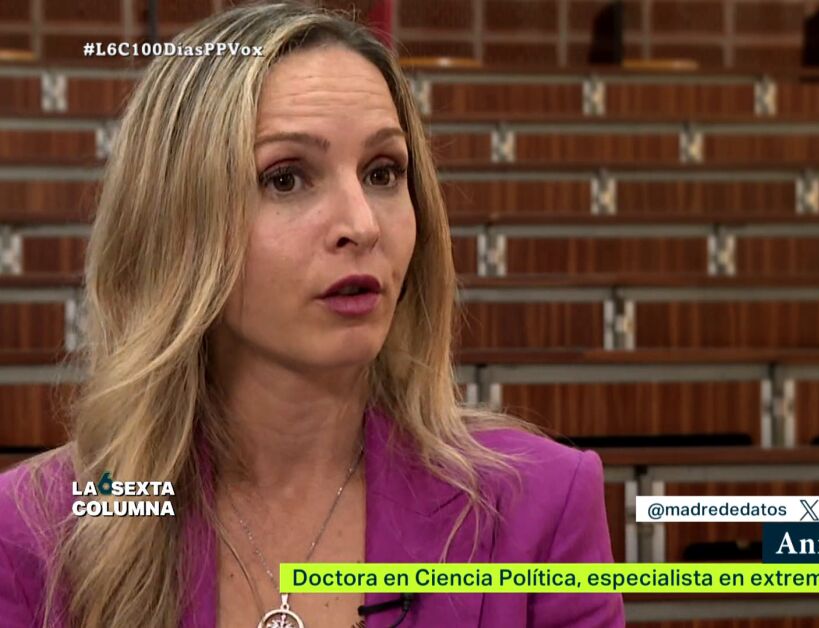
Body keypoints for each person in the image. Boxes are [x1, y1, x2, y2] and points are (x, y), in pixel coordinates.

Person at [0, 2, 624, 626]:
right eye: (286, 179)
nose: (361, 224)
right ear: (177, 224)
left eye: (383, 172)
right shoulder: (34, 532)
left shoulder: (540, 503)